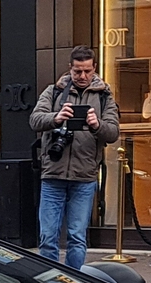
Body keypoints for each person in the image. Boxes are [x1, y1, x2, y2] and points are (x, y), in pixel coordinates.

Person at [29, 47, 119, 268]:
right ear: (70, 68)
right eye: (77, 71)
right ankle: (49, 281)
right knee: (48, 237)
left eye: (87, 71)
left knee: (77, 238)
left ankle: (73, 281)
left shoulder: (104, 96)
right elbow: (34, 120)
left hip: (84, 177)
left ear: (94, 68)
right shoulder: (54, 91)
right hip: (53, 174)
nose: (82, 76)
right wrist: (56, 118)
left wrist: (97, 125)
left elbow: (113, 132)